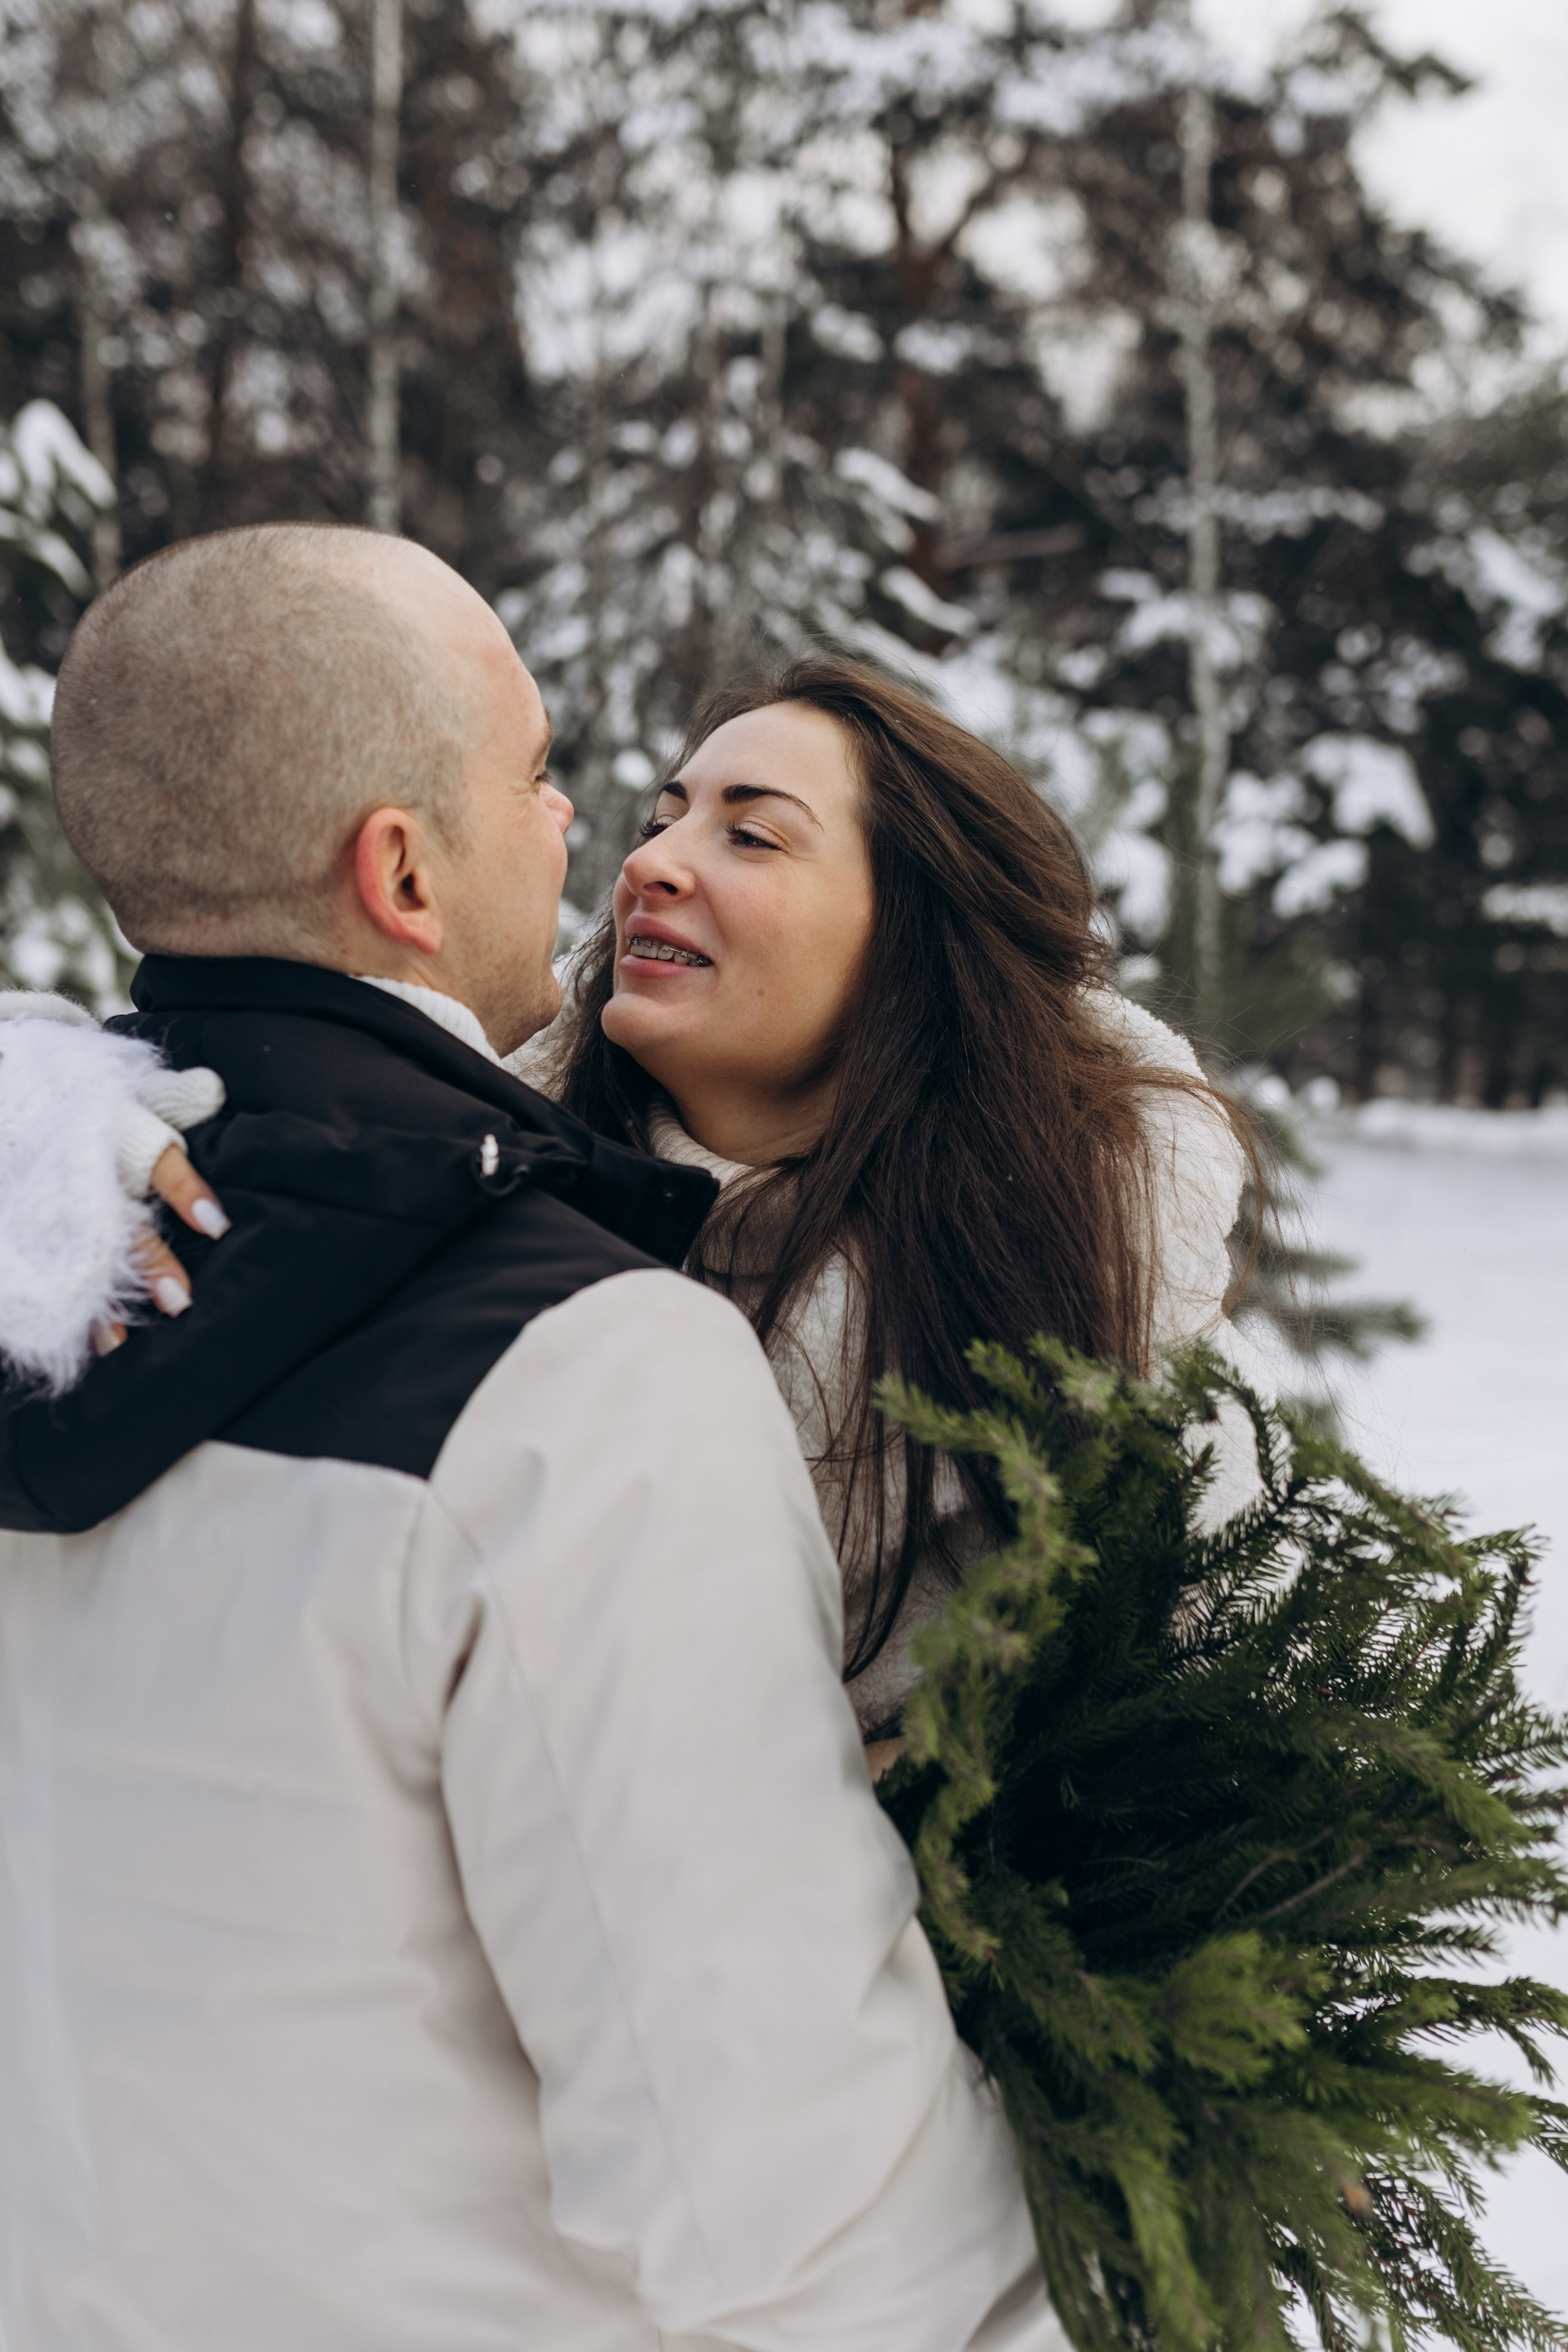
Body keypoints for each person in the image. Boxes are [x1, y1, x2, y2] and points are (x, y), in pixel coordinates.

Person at [0, 526, 1062, 2352]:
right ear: (403, 869)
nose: (605, 842)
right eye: (551, 778)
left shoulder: (50, 1260)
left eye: (743, 824)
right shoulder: (588, 1380)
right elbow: (798, 2210)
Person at [0, 657, 1267, 1756]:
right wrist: (42, 1127)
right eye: (664, 820)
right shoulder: (465, 1172)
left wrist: (934, 1810)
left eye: (749, 834)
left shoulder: (1097, 1290)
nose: (651, 864)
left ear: (912, 942)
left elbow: (1201, 1779)